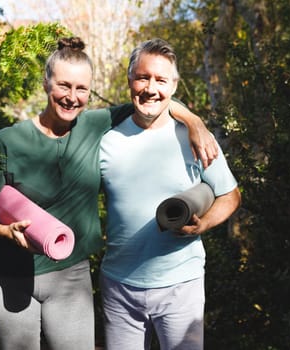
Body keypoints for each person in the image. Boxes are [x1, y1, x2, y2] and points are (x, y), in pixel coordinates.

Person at [0, 37, 217, 350]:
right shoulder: (7, 141)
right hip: (9, 276)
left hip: (71, 278)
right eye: (63, 86)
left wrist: (194, 121)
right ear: (46, 83)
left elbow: (152, 99)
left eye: (81, 89)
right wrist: (4, 231)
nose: (72, 97)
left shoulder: (95, 126)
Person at [99, 38, 242, 350]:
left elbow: (230, 195)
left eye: (161, 80)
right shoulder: (106, 140)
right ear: (129, 80)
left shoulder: (198, 140)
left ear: (174, 85)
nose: (151, 88)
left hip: (182, 286)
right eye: (142, 77)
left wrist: (204, 224)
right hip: (118, 286)